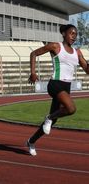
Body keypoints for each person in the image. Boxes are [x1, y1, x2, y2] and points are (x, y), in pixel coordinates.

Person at [27, 24, 89, 156]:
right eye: (71, 33)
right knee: (71, 108)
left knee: (50, 123)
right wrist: (33, 72)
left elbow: (86, 69)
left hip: (66, 87)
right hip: (55, 84)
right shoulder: (55, 46)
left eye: (75, 34)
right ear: (64, 34)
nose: (74, 36)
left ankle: (31, 141)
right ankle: (49, 117)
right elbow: (33, 53)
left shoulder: (77, 52)